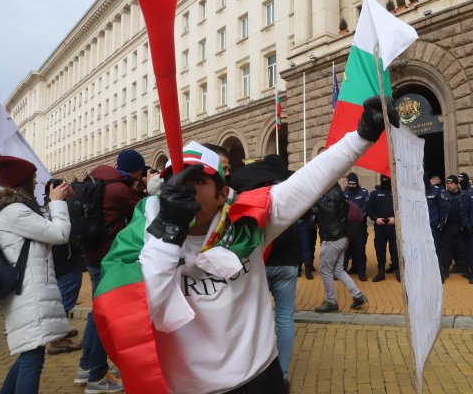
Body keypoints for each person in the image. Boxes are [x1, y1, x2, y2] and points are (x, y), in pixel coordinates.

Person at [94, 96, 397, 393]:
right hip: (184, 386)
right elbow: (136, 312)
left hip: (258, 377)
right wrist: (167, 234)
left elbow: (308, 180)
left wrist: (362, 136)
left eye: (197, 181)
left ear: (221, 192)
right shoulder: (140, 233)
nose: (183, 192)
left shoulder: (248, 220)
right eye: (175, 182)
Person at [0, 146, 72, 394]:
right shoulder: (14, 211)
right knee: (32, 359)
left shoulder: (7, 209)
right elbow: (60, 234)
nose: (36, 182)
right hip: (29, 292)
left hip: (26, 290)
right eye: (33, 177)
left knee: (29, 353)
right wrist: (56, 204)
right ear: (21, 180)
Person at [75, 148, 145, 392]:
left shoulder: (98, 181)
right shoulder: (119, 190)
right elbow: (143, 212)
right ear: (135, 169)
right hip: (108, 258)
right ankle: (97, 376)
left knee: (97, 312)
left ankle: (86, 367)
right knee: (104, 315)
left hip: (92, 256)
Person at [229, 154, 300, 386]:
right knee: (285, 317)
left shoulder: (243, 181)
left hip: (259, 258)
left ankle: (253, 371)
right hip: (288, 259)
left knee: (254, 316)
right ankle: (284, 374)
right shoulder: (288, 183)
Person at [43, 180, 84, 355]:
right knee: (64, 300)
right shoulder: (57, 209)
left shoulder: (46, 209)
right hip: (65, 261)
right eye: (66, 188)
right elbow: (62, 234)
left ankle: (60, 331)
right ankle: (58, 340)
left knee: (62, 298)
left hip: (62, 261)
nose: (71, 191)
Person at [314, 183, 368, 313]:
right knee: (338, 270)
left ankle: (331, 302)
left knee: (325, 270)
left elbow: (329, 212)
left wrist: (315, 200)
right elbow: (329, 212)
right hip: (341, 237)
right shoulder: (337, 193)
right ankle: (358, 296)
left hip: (333, 237)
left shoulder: (333, 193)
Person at [367, 175, 399, 282]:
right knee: (380, 250)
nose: (385, 181)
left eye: (387, 179)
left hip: (393, 226)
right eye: (383, 179)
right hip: (380, 227)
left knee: (395, 249)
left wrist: (395, 218)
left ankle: (398, 270)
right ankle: (381, 272)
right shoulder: (374, 194)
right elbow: (369, 210)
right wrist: (376, 219)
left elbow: (402, 208)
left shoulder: (396, 193)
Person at [343, 172, 369, 280]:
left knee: (359, 250)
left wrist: (358, 216)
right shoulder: (344, 193)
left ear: (357, 183)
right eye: (350, 184)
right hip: (347, 226)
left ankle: (361, 272)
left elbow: (365, 208)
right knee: (345, 250)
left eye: (354, 184)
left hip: (360, 226)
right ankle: (342, 272)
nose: (352, 186)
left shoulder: (363, 192)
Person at [442, 175, 467, 279]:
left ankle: (465, 270)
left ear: (456, 184)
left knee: (463, 249)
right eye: (447, 183)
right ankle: (446, 270)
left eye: (451, 183)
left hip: (461, 226)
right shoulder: (443, 195)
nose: (448, 185)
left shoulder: (464, 195)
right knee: (447, 249)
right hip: (448, 226)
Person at [425, 173, 449, 281]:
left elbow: (444, 208)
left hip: (433, 226)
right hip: (421, 228)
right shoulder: (417, 192)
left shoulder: (436, 191)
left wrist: (442, 223)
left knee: (436, 250)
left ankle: (438, 273)